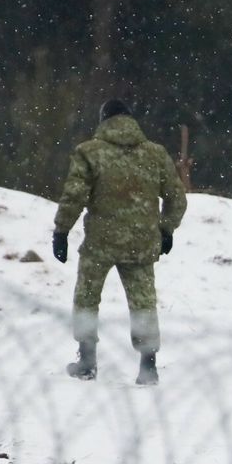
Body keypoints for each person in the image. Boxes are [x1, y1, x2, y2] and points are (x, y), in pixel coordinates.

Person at [52, 99, 187, 384]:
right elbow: (177, 198)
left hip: (100, 243)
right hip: (141, 242)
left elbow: (74, 195)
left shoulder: (89, 152)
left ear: (103, 120)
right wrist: (166, 230)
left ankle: (87, 361)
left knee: (87, 298)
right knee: (143, 302)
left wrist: (61, 231)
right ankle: (148, 366)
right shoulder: (155, 154)